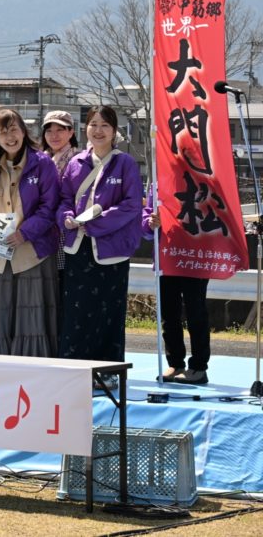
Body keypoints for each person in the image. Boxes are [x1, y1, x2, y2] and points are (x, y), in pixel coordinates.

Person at [58, 106, 142, 381]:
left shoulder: (125, 163)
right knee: (76, 311)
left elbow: (131, 205)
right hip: (78, 247)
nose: (98, 130)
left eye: (105, 125)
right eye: (93, 124)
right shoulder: (76, 163)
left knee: (109, 312)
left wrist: (95, 223)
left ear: (114, 130)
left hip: (111, 249)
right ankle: (75, 370)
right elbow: (64, 199)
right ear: (86, 129)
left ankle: (108, 371)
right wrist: (67, 217)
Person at [0, 107, 59, 357]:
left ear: (23, 131)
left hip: (32, 253)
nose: (10, 137)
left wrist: (25, 232)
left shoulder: (42, 163)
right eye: (3, 132)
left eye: (13, 130)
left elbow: (49, 206)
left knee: (31, 318)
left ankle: (33, 364)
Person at [143, 189, 210, 384]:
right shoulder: (157, 182)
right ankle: (175, 363)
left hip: (194, 254)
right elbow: (147, 215)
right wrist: (150, 223)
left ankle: (198, 366)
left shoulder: (201, 178)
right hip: (167, 254)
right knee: (169, 312)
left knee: (195, 311)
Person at [41, 110, 78, 319]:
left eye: (60, 130)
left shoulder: (78, 160)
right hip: (43, 234)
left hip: (66, 234)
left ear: (71, 132)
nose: (54, 135)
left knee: (63, 293)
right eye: (49, 130)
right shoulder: (43, 159)